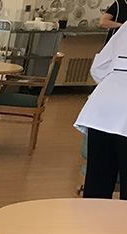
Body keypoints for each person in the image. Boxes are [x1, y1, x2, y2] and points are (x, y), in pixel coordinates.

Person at [76, 21, 127, 199]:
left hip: (103, 109)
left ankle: (90, 225)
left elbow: (99, 68)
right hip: (119, 115)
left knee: (97, 186)